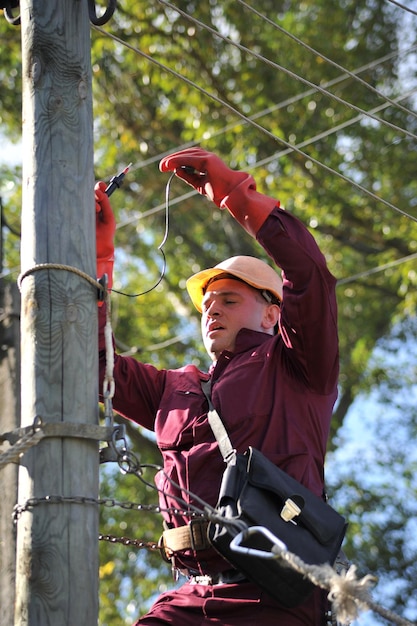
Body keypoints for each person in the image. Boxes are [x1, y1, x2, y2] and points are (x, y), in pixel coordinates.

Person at [95, 147, 339, 626]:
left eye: (229, 299)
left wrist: (234, 194)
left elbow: (310, 275)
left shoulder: (297, 368)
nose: (212, 309)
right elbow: (90, 364)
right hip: (189, 599)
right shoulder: (174, 389)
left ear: (273, 313)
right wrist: (97, 259)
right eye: (207, 303)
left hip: (276, 597)